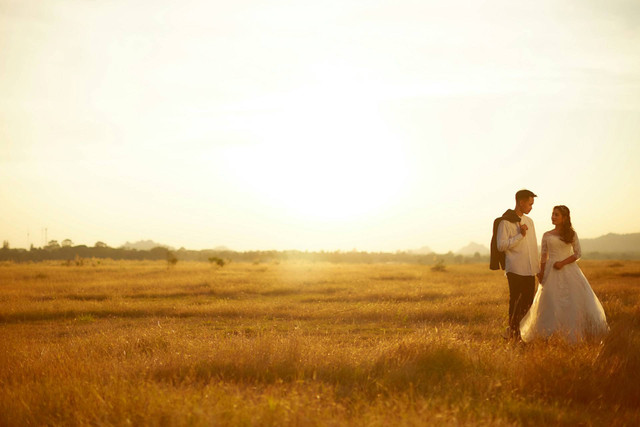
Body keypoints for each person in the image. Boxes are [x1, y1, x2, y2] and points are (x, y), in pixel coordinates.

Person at [520, 206, 608, 343]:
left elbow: (578, 254)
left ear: (564, 218)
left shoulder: (571, 234)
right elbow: (543, 256)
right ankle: (548, 334)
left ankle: (575, 334)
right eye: (552, 214)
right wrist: (541, 273)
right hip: (551, 271)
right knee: (550, 301)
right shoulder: (547, 235)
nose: (553, 217)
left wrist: (562, 263)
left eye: (556, 215)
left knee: (573, 301)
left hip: (569, 269)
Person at [492, 189, 539, 341]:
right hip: (515, 269)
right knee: (516, 303)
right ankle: (513, 334)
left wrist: (537, 269)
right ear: (521, 202)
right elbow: (501, 246)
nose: (531, 207)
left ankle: (522, 334)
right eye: (530, 204)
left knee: (528, 304)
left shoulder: (530, 222)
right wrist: (520, 236)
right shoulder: (505, 222)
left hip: (529, 270)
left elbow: (533, 247)